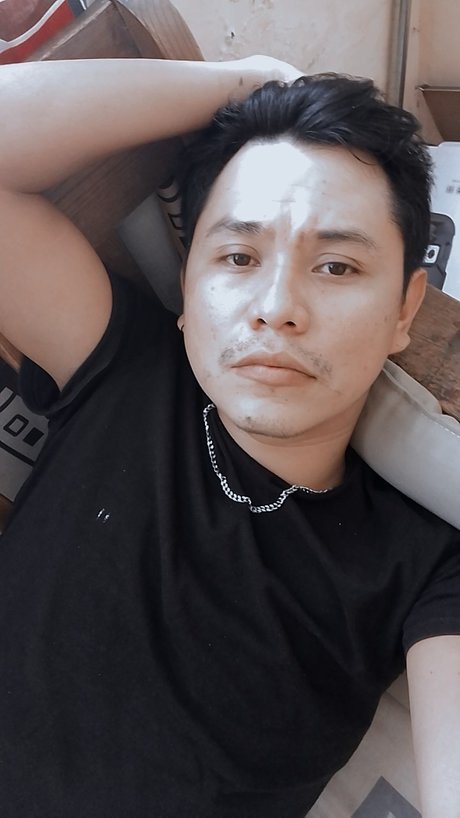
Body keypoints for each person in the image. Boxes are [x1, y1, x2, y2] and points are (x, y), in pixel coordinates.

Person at [0, 55, 459, 818]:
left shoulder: (424, 564)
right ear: (188, 287)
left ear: (405, 310)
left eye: (336, 266)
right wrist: (247, 81)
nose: (276, 307)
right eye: (239, 257)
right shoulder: (125, 368)